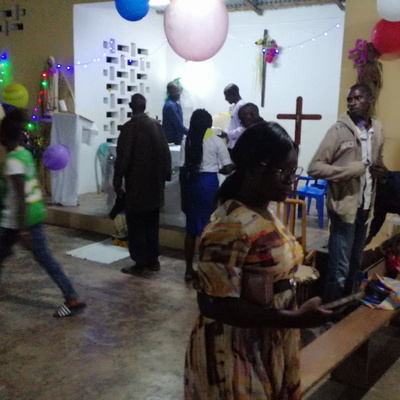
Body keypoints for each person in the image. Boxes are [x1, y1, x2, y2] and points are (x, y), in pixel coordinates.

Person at [184, 121, 332, 400]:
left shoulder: (264, 212)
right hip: (233, 350)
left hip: (266, 341)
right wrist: (292, 319)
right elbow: (213, 304)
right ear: (254, 168)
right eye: (283, 172)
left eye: (293, 171)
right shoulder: (230, 225)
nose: (292, 180)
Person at [0, 109, 86, 318]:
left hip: (19, 221)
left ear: (5, 137)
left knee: (45, 259)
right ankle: (71, 297)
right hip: (26, 218)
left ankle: (72, 298)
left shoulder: (12, 161)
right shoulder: (25, 154)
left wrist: (23, 229)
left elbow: (20, 198)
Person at [308, 83, 387, 303]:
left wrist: (383, 172)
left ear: (370, 100)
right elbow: (315, 167)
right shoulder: (338, 130)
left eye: (357, 98)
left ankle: (348, 308)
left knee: (355, 263)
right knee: (339, 267)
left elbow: (377, 163)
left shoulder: (378, 129)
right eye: (349, 99)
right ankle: (330, 311)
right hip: (344, 208)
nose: (351, 103)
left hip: (366, 207)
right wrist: (347, 171)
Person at [114, 94, 171, 274]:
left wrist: (117, 181)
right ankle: (153, 259)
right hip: (154, 184)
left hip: (137, 185)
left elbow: (123, 158)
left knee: (137, 224)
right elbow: (166, 152)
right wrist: (164, 177)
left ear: (131, 106)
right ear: (145, 106)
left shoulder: (129, 128)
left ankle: (140, 262)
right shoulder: (156, 126)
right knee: (152, 223)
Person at [179, 109, 234, 282]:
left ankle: (189, 269)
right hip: (208, 184)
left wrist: (184, 196)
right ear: (210, 124)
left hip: (191, 184)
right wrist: (219, 168)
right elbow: (228, 168)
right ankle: (205, 269)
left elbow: (182, 169)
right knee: (208, 229)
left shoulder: (186, 141)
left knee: (191, 231)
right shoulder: (217, 141)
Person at [162, 81, 188, 145]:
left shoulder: (173, 103)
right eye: (177, 92)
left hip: (175, 138)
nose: (179, 94)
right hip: (172, 140)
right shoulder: (171, 106)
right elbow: (178, 125)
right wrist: (192, 133)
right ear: (171, 92)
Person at [221, 83, 246, 150]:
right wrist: (224, 132)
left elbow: (244, 128)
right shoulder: (236, 106)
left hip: (239, 146)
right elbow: (233, 125)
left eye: (226, 95)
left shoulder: (242, 106)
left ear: (233, 93)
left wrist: (227, 134)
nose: (225, 99)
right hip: (233, 145)